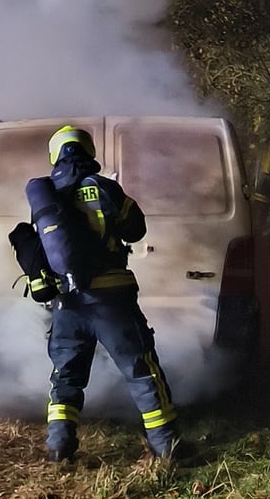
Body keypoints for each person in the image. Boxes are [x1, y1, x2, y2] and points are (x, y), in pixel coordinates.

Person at [34, 125, 182, 462]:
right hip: (112, 300)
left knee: (65, 374)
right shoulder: (105, 188)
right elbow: (136, 228)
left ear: (55, 155)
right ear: (89, 152)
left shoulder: (46, 196)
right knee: (142, 370)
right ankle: (167, 445)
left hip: (68, 303)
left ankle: (59, 445)